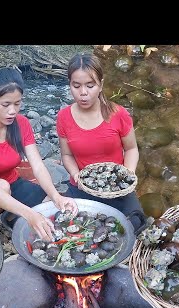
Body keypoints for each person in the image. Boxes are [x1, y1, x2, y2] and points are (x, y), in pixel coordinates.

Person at [0, 67, 78, 241]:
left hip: (12, 181)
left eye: (17, 103)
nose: (13, 111)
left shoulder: (21, 124)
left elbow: (37, 166)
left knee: (50, 206)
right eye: (6, 105)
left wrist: (56, 196)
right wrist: (29, 214)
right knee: (2, 187)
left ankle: (11, 211)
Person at [56, 53, 145, 231]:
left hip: (116, 187)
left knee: (134, 224)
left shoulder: (118, 114)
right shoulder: (64, 117)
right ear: (70, 85)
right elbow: (66, 155)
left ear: (101, 85)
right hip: (82, 187)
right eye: (76, 86)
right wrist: (76, 175)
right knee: (64, 224)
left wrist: (127, 174)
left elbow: (131, 149)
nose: (83, 93)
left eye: (90, 85)